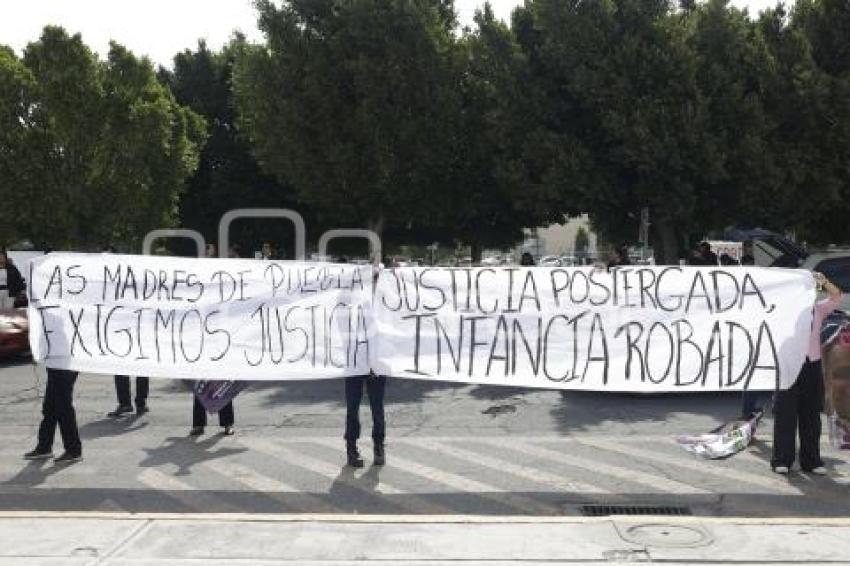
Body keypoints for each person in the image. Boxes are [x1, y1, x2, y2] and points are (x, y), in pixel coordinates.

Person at [771, 272, 843, 475]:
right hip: (787, 364)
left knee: (811, 414)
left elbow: (837, 297)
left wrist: (824, 281)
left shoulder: (817, 310)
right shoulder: (781, 311)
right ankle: (781, 459)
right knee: (785, 413)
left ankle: (811, 460)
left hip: (811, 364)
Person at [24, 368, 82, 464]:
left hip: (64, 366)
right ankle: (44, 447)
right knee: (50, 407)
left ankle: (73, 450)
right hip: (55, 366)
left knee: (63, 407)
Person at [345, 371, 386, 467]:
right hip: (355, 363)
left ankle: (378, 445)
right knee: (352, 407)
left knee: (377, 407)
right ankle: (351, 448)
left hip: (375, 364)